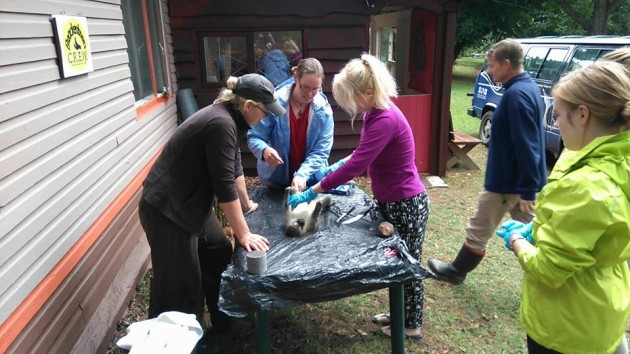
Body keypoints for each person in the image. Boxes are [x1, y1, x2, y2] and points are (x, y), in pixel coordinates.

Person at [287, 53, 429, 340]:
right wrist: (336, 167)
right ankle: (399, 312)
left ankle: (412, 324)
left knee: (407, 264)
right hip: (392, 200)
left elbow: (357, 164)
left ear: (367, 92)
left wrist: (315, 190)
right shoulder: (373, 113)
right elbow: (361, 154)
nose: (349, 106)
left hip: (407, 203)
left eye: (351, 98)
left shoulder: (385, 119)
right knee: (394, 262)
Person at [496, 60, 630, 354]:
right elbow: (595, 230)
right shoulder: (613, 158)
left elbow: (549, 269)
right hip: (603, 308)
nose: (555, 124)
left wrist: (517, 240)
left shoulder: (586, 184)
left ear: (582, 114)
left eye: (557, 115)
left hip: (567, 325)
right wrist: (540, 226)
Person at [138, 74, 284, 327]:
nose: (266, 117)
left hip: (193, 203)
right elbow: (224, 185)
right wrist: (244, 234)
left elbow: (234, 168)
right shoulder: (220, 123)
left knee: (217, 250)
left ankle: (223, 319)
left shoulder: (230, 119)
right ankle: (178, 338)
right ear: (248, 105)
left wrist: (247, 205)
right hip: (168, 209)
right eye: (265, 111)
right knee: (180, 286)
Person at [427, 38, 547, 284]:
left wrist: (527, 189)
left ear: (506, 63)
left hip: (507, 183)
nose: (489, 71)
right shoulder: (529, 88)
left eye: (492, 66)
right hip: (517, 182)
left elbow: (528, 145)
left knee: (479, 228)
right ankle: (550, 277)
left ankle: (456, 271)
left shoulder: (517, 95)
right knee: (536, 231)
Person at [248, 58, 334, 191]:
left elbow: (321, 151)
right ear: (295, 77)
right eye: (305, 87)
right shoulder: (274, 104)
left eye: (315, 89)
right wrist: (264, 150)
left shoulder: (324, 111)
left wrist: (302, 175)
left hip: (311, 179)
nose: (310, 94)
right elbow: (255, 137)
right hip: (275, 181)